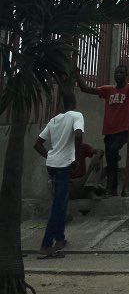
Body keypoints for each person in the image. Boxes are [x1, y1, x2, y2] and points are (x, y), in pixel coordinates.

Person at [33, 89, 85, 258]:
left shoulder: (54, 120)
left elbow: (38, 144)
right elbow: (78, 135)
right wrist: (77, 158)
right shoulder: (77, 116)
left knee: (61, 202)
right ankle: (46, 244)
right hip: (63, 165)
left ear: (62, 105)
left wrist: (50, 155)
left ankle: (60, 239)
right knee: (58, 205)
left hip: (52, 165)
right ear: (75, 103)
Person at [75, 62, 129, 196]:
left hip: (123, 130)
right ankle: (111, 188)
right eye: (116, 73)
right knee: (111, 159)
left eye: (121, 73)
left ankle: (111, 186)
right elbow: (85, 89)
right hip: (109, 132)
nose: (118, 75)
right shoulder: (108, 90)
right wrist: (77, 74)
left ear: (126, 75)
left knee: (113, 151)